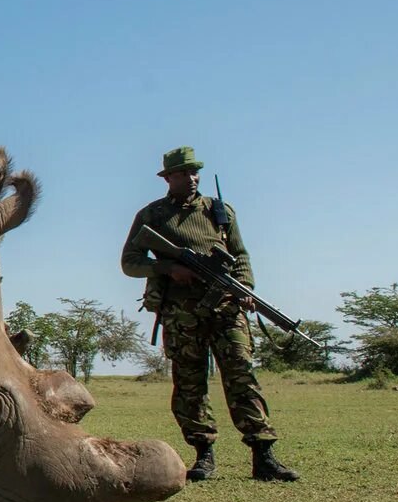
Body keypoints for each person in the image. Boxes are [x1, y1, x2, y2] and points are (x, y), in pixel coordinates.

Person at [120, 146, 298, 483]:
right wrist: (169, 267)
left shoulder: (220, 211)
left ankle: (264, 456)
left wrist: (243, 287)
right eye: (184, 173)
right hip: (181, 315)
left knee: (242, 376)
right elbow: (130, 262)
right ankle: (203, 457)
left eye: (195, 172)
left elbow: (241, 255)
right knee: (189, 384)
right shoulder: (152, 216)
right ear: (168, 177)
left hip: (227, 310)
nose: (192, 178)